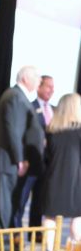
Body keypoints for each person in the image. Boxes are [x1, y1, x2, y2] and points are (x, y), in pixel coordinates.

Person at [0, 65, 40, 229]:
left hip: (12, 160)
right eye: (36, 77)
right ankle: (1, 242)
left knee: (9, 202)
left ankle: (5, 240)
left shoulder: (18, 96)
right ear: (25, 78)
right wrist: (20, 160)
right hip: (9, 160)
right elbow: (14, 131)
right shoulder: (15, 97)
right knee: (5, 203)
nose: (38, 81)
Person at [41, 92, 81, 242]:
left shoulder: (51, 132)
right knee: (77, 218)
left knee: (50, 216)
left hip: (53, 180)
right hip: (76, 181)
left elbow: (47, 157)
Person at [18, 74, 55, 228]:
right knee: (22, 198)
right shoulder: (29, 106)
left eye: (53, 87)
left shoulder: (56, 109)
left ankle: (36, 232)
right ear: (38, 87)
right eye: (48, 86)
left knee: (40, 200)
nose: (51, 90)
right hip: (31, 161)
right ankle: (16, 232)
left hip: (47, 164)